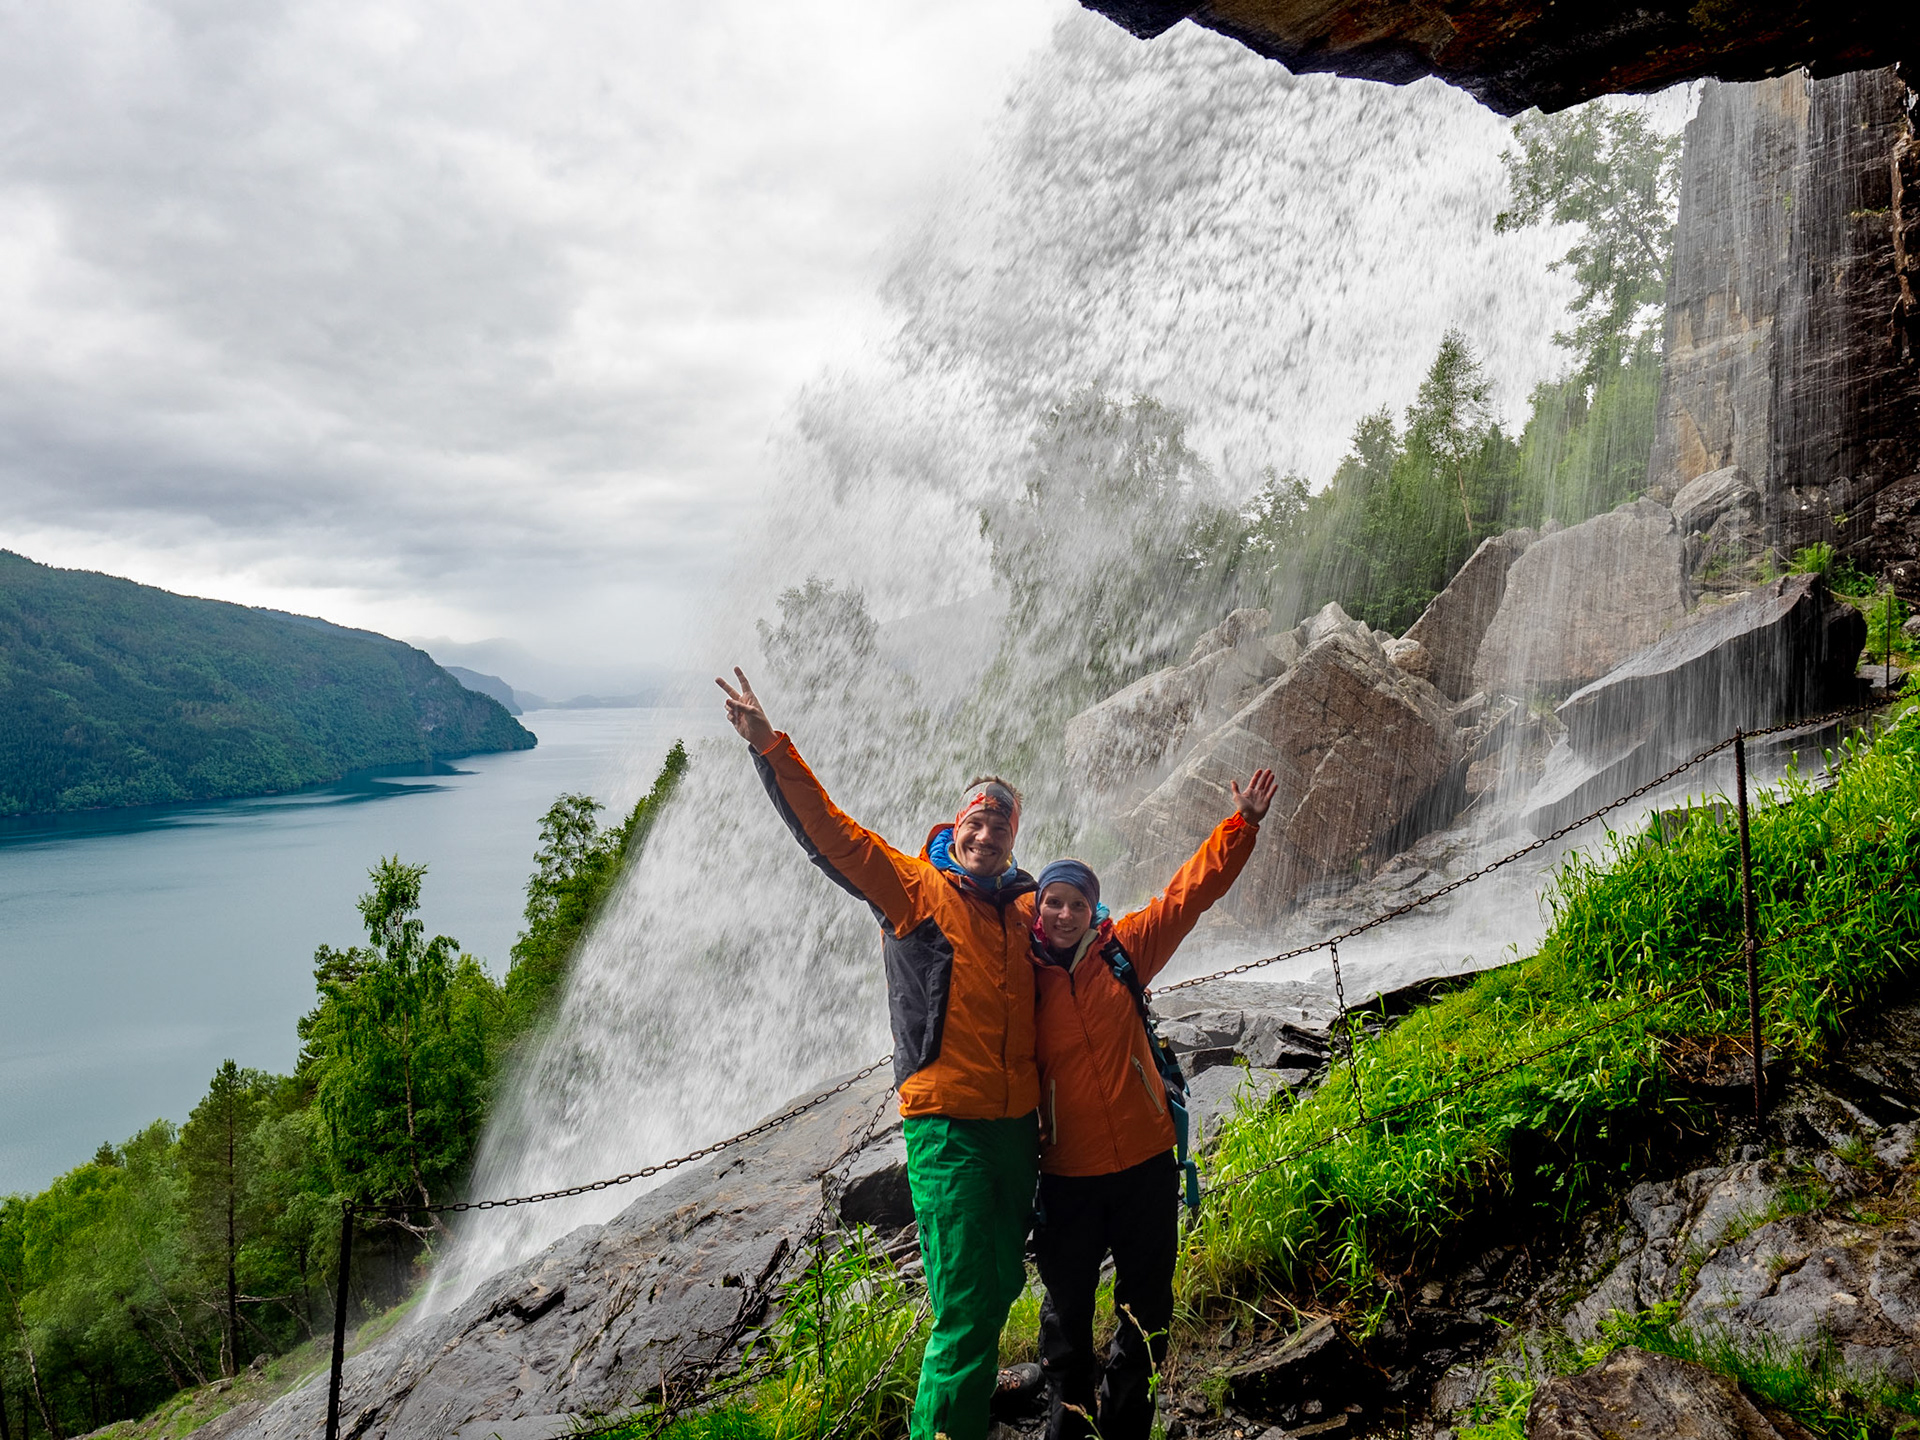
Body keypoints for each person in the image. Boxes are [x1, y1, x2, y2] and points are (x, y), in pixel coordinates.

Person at [716, 667, 1040, 1440]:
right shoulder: (914, 888)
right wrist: (772, 746)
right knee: (963, 1297)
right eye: (977, 821)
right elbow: (832, 834)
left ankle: (974, 1397)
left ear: (1013, 837)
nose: (987, 834)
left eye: (1001, 826)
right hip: (949, 1126)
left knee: (996, 1282)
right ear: (955, 824)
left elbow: (1100, 953)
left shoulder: (1028, 906)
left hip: (1018, 1127)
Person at [1029, 767, 1276, 1440]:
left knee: (1146, 1312)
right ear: (1037, 908)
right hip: (1067, 1178)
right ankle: (1069, 1427)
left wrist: (1242, 825)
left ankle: (1128, 1425)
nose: (1061, 914)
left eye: (1075, 904)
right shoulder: (1019, 983)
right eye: (1051, 902)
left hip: (1144, 1164)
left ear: (1092, 910)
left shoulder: (1123, 951)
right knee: (1067, 1320)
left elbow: (1187, 897)